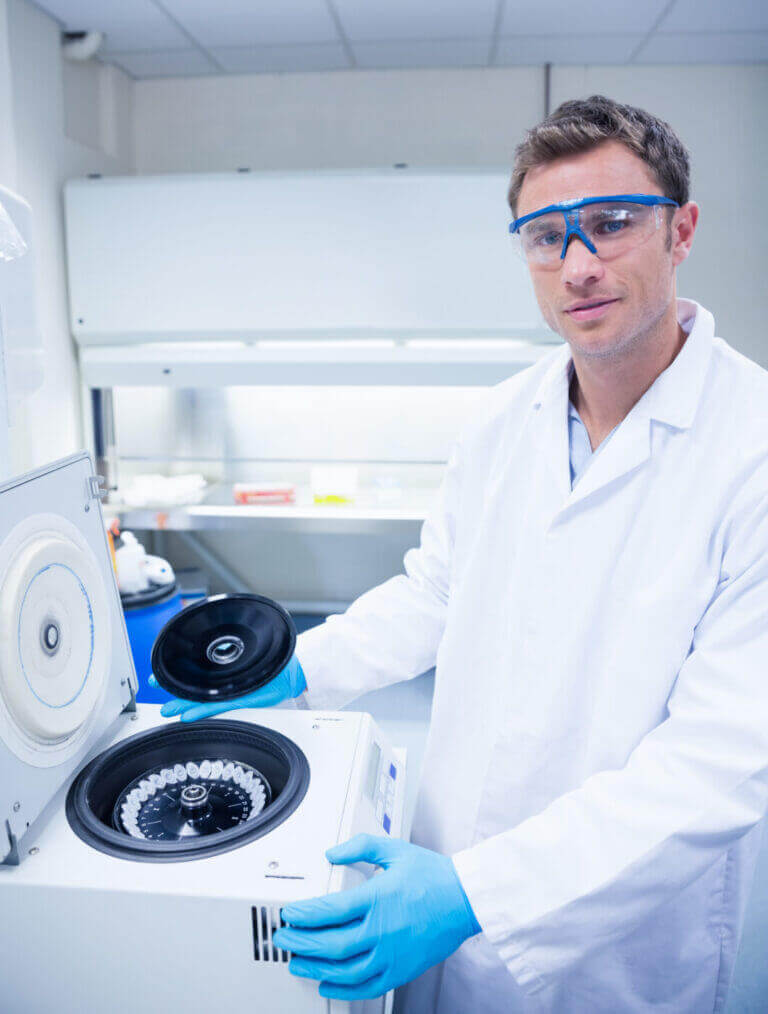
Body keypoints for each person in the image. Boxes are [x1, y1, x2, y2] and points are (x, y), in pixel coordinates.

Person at [160, 96, 768, 1013]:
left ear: (680, 230)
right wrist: (302, 671)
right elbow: (437, 591)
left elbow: (719, 762)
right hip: (445, 852)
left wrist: (480, 896)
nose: (579, 264)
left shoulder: (752, 448)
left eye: (612, 223)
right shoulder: (501, 420)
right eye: (547, 236)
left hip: (618, 930)